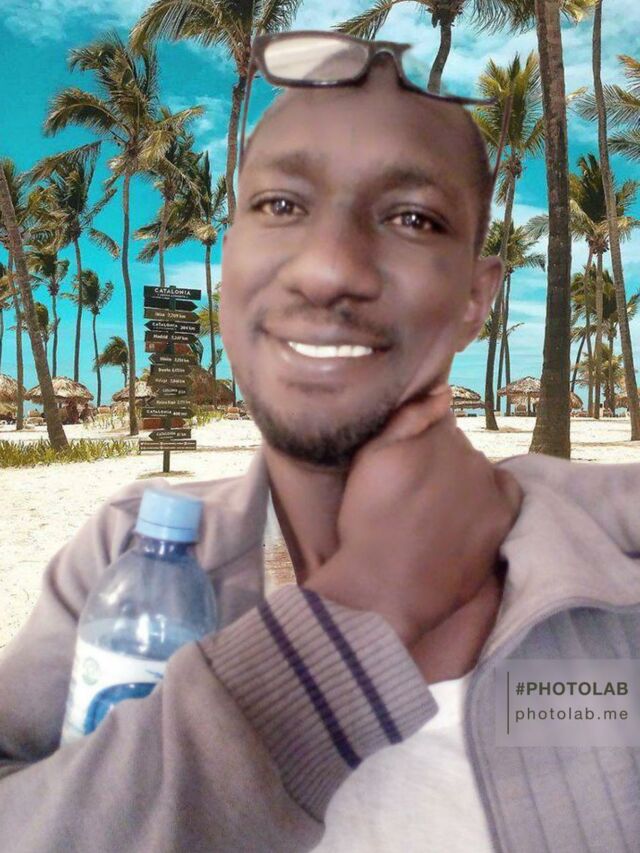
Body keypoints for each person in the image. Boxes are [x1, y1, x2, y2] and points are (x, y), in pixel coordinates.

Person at [1, 32, 639, 853]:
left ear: (477, 299)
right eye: (280, 205)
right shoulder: (125, 553)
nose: (329, 268)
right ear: (227, 253)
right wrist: (362, 608)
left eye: (412, 218)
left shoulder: (617, 555)